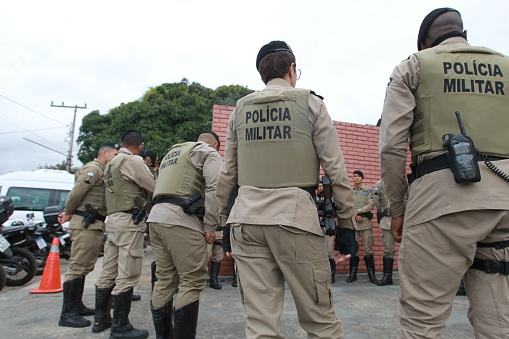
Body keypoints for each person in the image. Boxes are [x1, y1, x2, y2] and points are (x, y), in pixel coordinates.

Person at [379, 8, 509, 338]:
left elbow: (392, 146)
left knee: (422, 320)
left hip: (442, 198)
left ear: (425, 41)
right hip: (506, 199)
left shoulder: (415, 64)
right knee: (499, 317)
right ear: (463, 33)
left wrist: (398, 210)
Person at [216, 40, 357, 339]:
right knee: (320, 321)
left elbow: (228, 175)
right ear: (292, 69)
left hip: (245, 220)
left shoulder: (240, 109)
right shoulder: (310, 103)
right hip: (294, 217)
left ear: (262, 74)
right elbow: (336, 171)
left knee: (260, 323)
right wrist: (347, 225)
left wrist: (221, 225)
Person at [147, 130, 222, 339]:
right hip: (182, 220)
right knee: (191, 281)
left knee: (164, 280)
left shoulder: (173, 153)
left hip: (157, 217)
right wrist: (210, 227)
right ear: (215, 144)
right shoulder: (209, 152)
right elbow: (215, 188)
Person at [93, 130, 155, 339]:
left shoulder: (111, 163)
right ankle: (120, 326)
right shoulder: (132, 161)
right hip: (129, 222)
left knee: (108, 272)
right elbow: (152, 186)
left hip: (114, 221)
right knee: (127, 274)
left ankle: (101, 319)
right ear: (139, 145)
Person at [57, 142, 119, 328]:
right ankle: (67, 313)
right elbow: (76, 193)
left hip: (93, 224)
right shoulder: (93, 169)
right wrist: (68, 212)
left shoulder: (103, 170)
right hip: (85, 223)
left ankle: (77, 306)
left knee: (84, 266)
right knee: (77, 266)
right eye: (115, 154)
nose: (116, 158)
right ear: (105, 153)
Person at [348, 170, 377, 284]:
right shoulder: (350, 191)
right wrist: (355, 215)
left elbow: (371, 205)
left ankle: (371, 275)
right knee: (353, 249)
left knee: (368, 249)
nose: (356, 178)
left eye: (359, 176)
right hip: (353, 223)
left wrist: (358, 212)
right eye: (354, 176)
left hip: (365, 223)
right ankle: (353, 275)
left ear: (362, 178)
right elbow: (347, 205)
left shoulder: (368, 190)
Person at [373, 178, 395, 286]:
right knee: (388, 249)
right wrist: (382, 210)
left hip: (404, 217)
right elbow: (376, 199)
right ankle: (387, 276)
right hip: (387, 219)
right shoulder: (380, 184)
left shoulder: (402, 181)